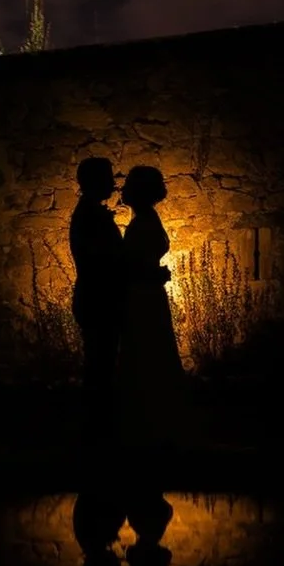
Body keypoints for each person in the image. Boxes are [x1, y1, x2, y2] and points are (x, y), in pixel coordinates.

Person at [116, 164, 189, 449]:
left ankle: (148, 426)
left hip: (144, 296)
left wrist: (152, 273)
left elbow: (132, 264)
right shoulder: (147, 219)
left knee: (146, 353)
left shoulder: (143, 221)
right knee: (149, 352)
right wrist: (155, 273)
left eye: (129, 185)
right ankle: (152, 425)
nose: (122, 190)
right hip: (144, 295)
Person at [68, 156, 126, 443]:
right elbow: (103, 261)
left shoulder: (89, 213)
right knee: (99, 368)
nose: (114, 185)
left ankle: (97, 433)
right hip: (98, 300)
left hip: (96, 298)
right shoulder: (91, 217)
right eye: (108, 179)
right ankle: (97, 435)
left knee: (100, 365)